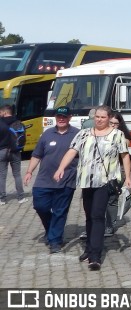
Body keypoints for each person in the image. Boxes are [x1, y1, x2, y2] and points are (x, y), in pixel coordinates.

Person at [54, 105, 131, 271]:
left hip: (105, 181)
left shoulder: (117, 135)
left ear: (108, 118)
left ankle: (95, 256)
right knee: (89, 216)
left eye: (103, 117)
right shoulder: (83, 133)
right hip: (86, 180)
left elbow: (125, 156)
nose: (99, 120)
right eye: (97, 116)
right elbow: (71, 151)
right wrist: (61, 168)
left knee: (97, 216)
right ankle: (89, 249)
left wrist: (128, 178)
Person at [23, 106, 79, 253]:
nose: (61, 119)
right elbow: (37, 155)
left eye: (64, 117)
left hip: (67, 179)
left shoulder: (77, 134)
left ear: (70, 118)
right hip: (44, 179)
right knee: (40, 206)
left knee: (60, 211)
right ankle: (51, 230)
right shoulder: (47, 134)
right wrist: (29, 171)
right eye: (58, 116)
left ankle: (55, 241)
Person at [105, 111, 131, 235]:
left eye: (116, 123)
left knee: (111, 197)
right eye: (111, 123)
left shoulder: (123, 136)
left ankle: (110, 224)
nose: (113, 125)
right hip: (103, 171)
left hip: (119, 171)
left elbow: (122, 153)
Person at [0, 104, 27, 205]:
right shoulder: (19, 123)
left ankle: (2, 199)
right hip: (15, 152)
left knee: (2, 176)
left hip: (2, 151)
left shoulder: (0, 123)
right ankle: (20, 197)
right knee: (17, 174)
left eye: (1, 112)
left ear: (5, 112)